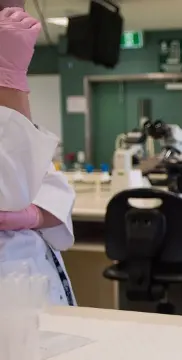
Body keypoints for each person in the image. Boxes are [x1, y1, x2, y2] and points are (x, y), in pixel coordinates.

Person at [0, 7, 76, 306]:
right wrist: (8, 80)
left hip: (34, 282)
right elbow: (11, 189)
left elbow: (55, 189)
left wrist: (33, 215)